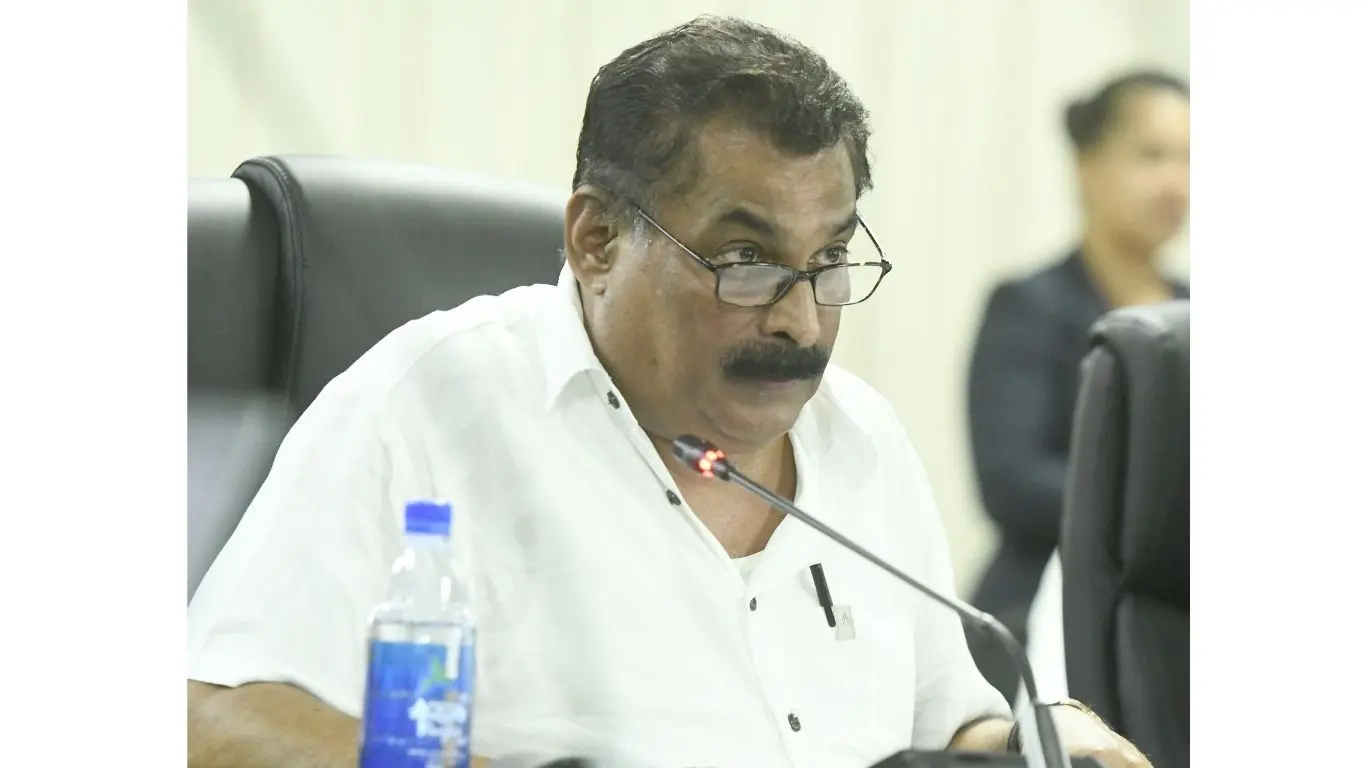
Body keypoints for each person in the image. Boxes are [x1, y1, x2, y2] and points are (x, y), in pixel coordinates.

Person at [188, 17, 1150, 768]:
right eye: (744, 259)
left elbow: (949, 722)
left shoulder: (862, 437)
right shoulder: (434, 401)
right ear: (597, 238)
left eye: (828, 261)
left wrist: (1046, 734)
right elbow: (209, 717)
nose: (801, 323)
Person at [964, 70, 1190, 702]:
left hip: (1177, 613)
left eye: (1190, 159)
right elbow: (1011, 481)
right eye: (1151, 155)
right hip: (1042, 610)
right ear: (1086, 166)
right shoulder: (1029, 305)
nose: (1176, 181)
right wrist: (1161, 510)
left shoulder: (1199, 317)